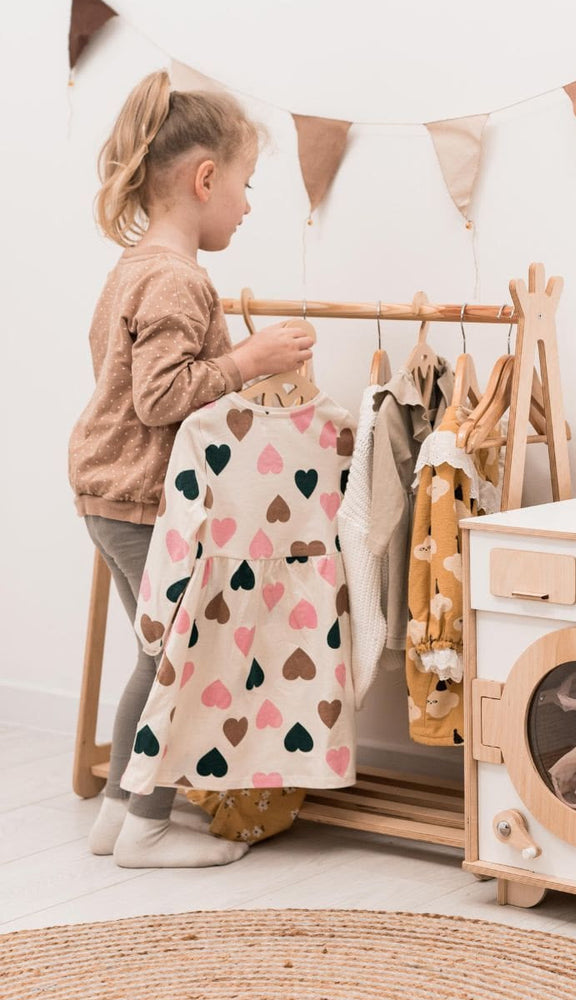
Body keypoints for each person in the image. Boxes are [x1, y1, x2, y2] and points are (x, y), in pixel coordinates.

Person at [67, 70, 314, 868]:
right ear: (204, 180)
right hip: (137, 497)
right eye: (244, 186)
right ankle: (145, 823)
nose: (247, 205)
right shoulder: (175, 278)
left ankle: (118, 814)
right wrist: (249, 358)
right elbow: (158, 397)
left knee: (154, 650)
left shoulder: (135, 268)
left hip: (109, 492)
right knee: (180, 653)